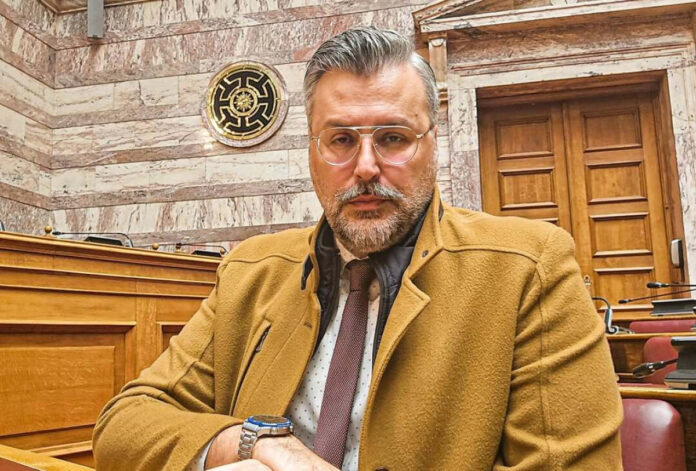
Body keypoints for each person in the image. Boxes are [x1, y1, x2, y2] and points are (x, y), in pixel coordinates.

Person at [93, 27, 623, 471]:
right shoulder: (250, 271)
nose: (366, 167)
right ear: (312, 150)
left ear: (432, 143)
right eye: (341, 140)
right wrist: (254, 444)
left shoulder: (529, 268)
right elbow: (124, 423)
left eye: (393, 138)